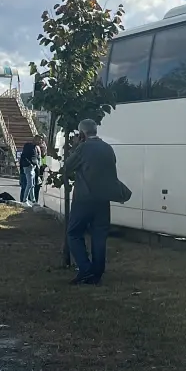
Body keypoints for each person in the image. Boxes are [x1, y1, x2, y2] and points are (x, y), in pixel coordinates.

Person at [61, 119, 130, 285]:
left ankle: (85, 269)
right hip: (103, 200)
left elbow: (67, 167)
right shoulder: (107, 148)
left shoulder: (83, 148)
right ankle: (97, 273)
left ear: (82, 134)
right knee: (99, 236)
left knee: (74, 233)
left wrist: (75, 146)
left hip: (84, 199)